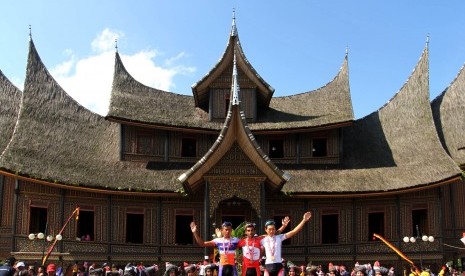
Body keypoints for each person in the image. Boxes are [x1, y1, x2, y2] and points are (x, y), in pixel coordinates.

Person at [261, 211, 312, 276]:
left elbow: (294, 231)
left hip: (278, 266)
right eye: (269, 229)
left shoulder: (279, 237)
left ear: (275, 229)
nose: (271, 231)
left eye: (273, 229)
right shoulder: (262, 239)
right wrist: (284, 226)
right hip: (267, 267)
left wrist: (304, 220)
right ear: (265, 229)